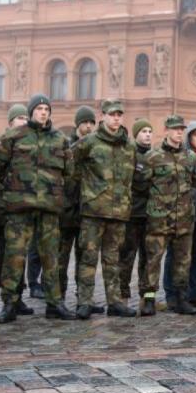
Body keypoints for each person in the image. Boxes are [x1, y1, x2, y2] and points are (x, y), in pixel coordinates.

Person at [0, 94, 76, 322]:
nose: (43, 112)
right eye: (39, 109)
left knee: (51, 257)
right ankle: (10, 303)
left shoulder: (60, 139)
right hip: (20, 208)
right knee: (14, 256)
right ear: (31, 112)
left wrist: (59, 197)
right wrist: (9, 194)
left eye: (46, 109)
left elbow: (70, 173)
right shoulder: (13, 137)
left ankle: (54, 303)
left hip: (49, 208)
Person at [73, 99, 136, 319]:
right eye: (112, 114)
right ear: (103, 116)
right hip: (93, 212)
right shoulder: (89, 142)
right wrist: (87, 191)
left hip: (119, 213)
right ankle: (84, 301)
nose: (116, 118)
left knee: (113, 260)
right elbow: (70, 167)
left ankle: (115, 301)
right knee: (88, 258)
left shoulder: (129, 146)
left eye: (119, 115)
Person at [140, 115, 196, 316]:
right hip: (159, 220)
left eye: (182, 129)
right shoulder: (152, 156)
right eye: (175, 129)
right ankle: (149, 300)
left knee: (183, 261)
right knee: (153, 260)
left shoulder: (190, 157)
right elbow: (142, 185)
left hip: (184, 219)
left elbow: (194, 182)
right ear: (166, 130)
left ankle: (181, 299)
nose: (179, 132)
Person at [0, 104, 34, 319]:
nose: (23, 122)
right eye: (19, 118)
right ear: (11, 122)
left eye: (26, 118)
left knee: (17, 257)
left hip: (19, 210)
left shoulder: (29, 146)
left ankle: (17, 298)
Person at [164, 120, 196, 307]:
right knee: (175, 255)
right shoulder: (181, 156)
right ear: (189, 137)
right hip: (181, 215)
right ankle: (171, 292)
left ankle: (193, 290)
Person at [58, 106, 95, 306]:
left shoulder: (95, 148)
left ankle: (84, 298)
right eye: (85, 122)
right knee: (61, 259)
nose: (88, 126)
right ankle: (58, 298)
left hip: (86, 212)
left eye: (91, 123)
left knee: (85, 259)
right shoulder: (67, 146)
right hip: (66, 212)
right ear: (77, 124)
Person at [119, 117, 153, 310]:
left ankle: (147, 298)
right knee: (126, 258)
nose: (147, 135)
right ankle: (122, 297)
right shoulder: (129, 154)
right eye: (143, 131)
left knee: (148, 260)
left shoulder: (155, 156)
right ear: (136, 135)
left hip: (150, 216)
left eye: (150, 131)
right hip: (132, 215)